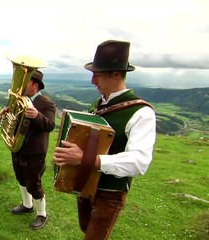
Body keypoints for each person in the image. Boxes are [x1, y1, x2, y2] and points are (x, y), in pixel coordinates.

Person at [53, 40, 157, 239]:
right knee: (86, 230)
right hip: (85, 184)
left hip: (110, 193)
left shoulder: (141, 113)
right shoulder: (97, 106)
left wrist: (86, 159)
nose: (93, 81)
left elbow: (139, 162)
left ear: (116, 74)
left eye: (97, 75)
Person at [0, 70, 56, 230]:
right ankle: (27, 205)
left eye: (25, 83)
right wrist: (6, 115)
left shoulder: (46, 103)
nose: (21, 87)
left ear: (34, 85)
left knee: (34, 183)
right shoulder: (19, 100)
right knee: (21, 178)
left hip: (34, 151)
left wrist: (37, 115)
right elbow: (13, 120)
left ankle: (42, 214)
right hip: (18, 146)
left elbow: (50, 125)